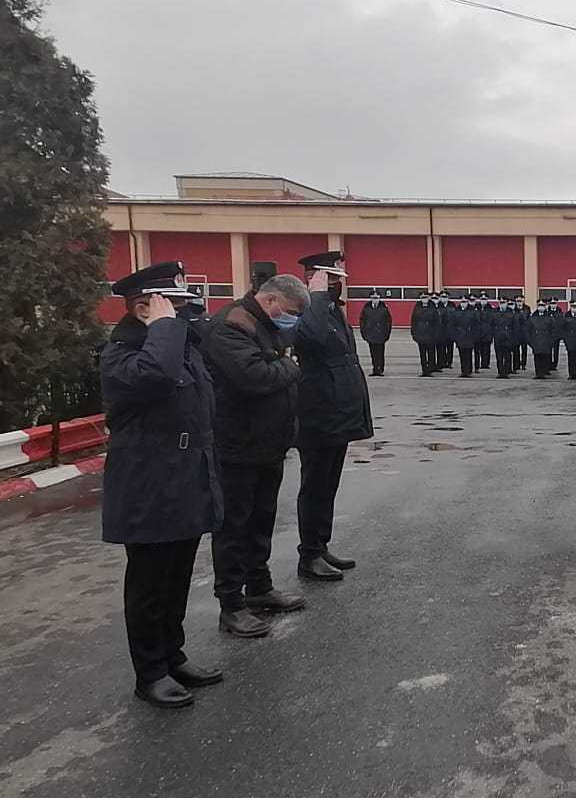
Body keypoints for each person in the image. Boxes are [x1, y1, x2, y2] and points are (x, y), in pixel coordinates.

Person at [100, 261, 224, 708]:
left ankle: (173, 655)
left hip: (186, 478)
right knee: (150, 585)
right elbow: (155, 376)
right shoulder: (122, 356)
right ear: (142, 308)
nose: (184, 314)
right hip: (148, 484)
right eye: (173, 305)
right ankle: (149, 672)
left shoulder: (178, 346)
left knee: (176, 578)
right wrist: (164, 329)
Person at [203, 274, 311, 639]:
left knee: (261, 519)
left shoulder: (265, 325)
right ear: (271, 300)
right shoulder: (230, 327)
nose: (292, 321)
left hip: (268, 443)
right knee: (234, 526)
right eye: (292, 312)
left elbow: (274, 366)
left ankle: (259, 587)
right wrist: (288, 365)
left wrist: (280, 362)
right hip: (237, 445)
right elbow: (256, 377)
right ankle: (232, 604)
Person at [293, 251, 374, 582]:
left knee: (328, 485)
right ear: (317, 278)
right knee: (314, 485)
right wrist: (313, 296)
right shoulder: (307, 311)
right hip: (317, 414)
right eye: (334, 279)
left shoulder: (330, 311)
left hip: (336, 413)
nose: (339, 285)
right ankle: (308, 554)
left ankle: (320, 545)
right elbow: (316, 340)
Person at [359, 289, 392, 377]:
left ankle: (380, 369)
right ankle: (375, 368)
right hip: (370, 334)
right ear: (370, 298)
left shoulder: (384, 308)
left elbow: (388, 322)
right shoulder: (366, 308)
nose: (375, 299)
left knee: (380, 352)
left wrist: (387, 333)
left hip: (381, 334)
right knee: (373, 352)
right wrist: (364, 332)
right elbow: (362, 321)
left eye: (377, 298)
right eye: (373, 298)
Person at [454, 295, 483, 378]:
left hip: (469, 335)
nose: (463, 303)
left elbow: (477, 324)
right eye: (462, 302)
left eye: (465, 302)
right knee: (462, 354)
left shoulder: (472, 311)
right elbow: (453, 324)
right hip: (460, 336)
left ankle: (468, 370)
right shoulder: (457, 311)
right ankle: (463, 371)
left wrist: (475, 335)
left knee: (468, 354)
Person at [528, 299, 555, 379]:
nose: (541, 307)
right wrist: (530, 341)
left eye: (542, 305)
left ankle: (543, 372)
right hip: (536, 341)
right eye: (539, 305)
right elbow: (528, 330)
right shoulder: (533, 317)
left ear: (546, 306)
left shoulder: (549, 317)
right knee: (537, 358)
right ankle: (538, 373)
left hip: (546, 341)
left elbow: (553, 330)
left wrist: (551, 341)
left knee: (545, 357)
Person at [493, 300, 515, 379]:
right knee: (499, 357)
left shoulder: (511, 314)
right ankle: (500, 372)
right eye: (501, 303)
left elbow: (514, 327)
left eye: (504, 303)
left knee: (507, 356)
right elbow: (492, 326)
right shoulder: (495, 313)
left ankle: (506, 372)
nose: (502, 305)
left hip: (508, 338)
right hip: (498, 337)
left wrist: (512, 337)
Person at [437, 292, 456, 370]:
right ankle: (442, 362)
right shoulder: (438, 306)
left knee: (450, 348)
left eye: (445, 296)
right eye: (442, 296)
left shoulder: (452, 306)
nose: (444, 298)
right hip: (441, 331)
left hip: (450, 331)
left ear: (448, 297)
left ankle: (449, 362)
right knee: (441, 348)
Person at [476, 297, 494, 372]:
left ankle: (485, 364)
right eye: (482, 299)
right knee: (479, 349)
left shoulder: (490, 308)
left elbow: (492, 321)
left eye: (485, 299)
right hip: (479, 332)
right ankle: (478, 364)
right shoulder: (477, 307)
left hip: (487, 332)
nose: (483, 301)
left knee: (486, 349)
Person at [512, 298, 530, 373]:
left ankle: (523, 364)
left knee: (524, 349)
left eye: (520, 301)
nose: (519, 303)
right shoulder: (514, 309)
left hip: (524, 333)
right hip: (516, 333)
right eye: (517, 301)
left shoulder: (527, 308)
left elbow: (528, 320)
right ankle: (516, 365)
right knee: (516, 350)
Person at [548, 300, 564, 374]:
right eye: (551, 303)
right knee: (548, 350)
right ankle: (549, 364)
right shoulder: (547, 311)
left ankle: (555, 364)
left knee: (556, 350)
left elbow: (561, 323)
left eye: (554, 303)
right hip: (549, 335)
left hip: (557, 335)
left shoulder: (559, 311)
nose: (553, 305)